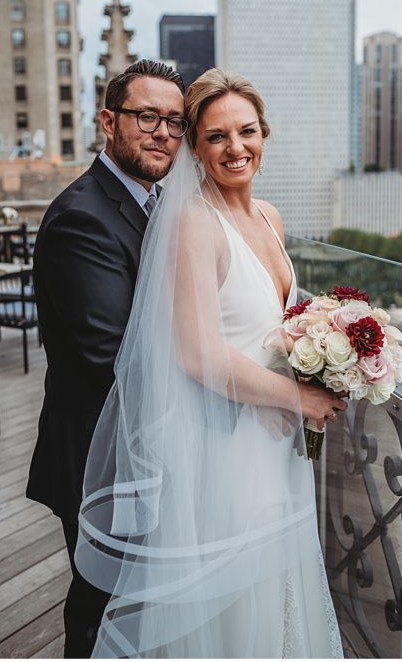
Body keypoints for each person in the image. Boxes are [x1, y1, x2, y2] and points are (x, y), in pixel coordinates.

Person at [77, 69, 345, 657]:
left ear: (264, 135)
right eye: (216, 136)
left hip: (276, 441)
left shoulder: (270, 217)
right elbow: (198, 353)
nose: (235, 147)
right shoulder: (197, 223)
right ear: (194, 148)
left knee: (279, 590)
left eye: (245, 131)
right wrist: (298, 398)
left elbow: (272, 326)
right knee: (235, 602)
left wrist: (323, 356)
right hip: (225, 446)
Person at [26, 59, 188, 658]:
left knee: (134, 598)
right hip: (104, 453)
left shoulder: (155, 202)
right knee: (102, 600)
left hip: (149, 444)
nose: (162, 133)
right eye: (146, 116)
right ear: (108, 121)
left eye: (175, 121)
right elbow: (111, 355)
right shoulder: (83, 218)